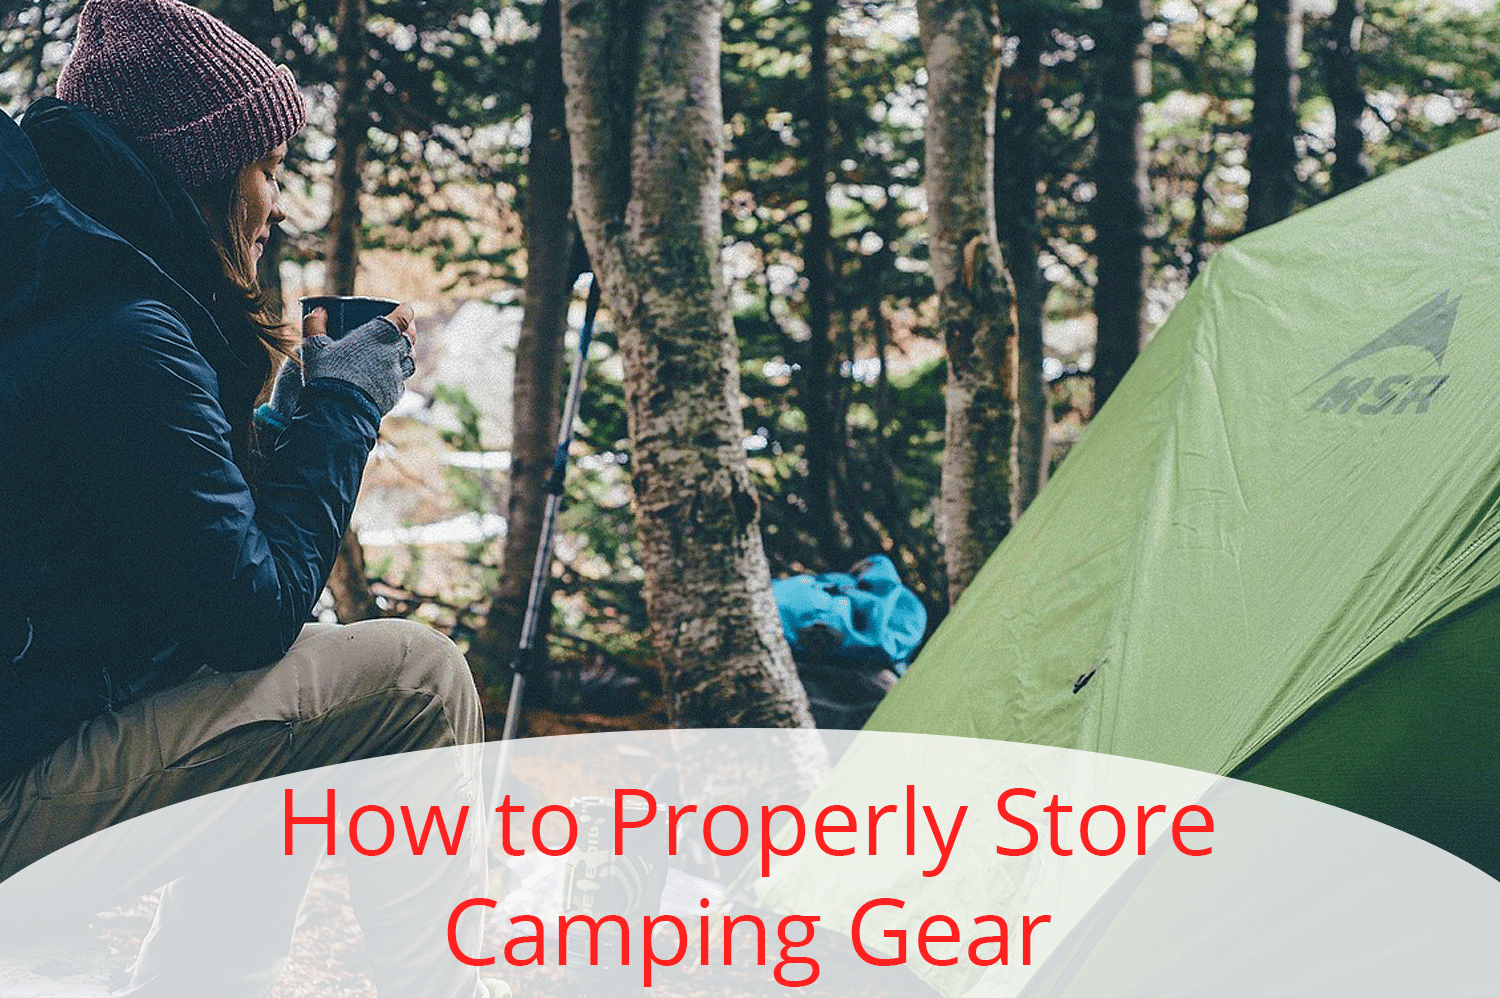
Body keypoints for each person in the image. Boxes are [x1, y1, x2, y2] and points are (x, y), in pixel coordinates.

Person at [0, 0, 500, 993]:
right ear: (203, 172)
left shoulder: (58, 288)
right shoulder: (123, 330)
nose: (276, 203)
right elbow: (248, 615)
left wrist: (274, 435)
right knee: (414, 677)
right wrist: (345, 413)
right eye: (266, 169)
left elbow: (153, 552)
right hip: (19, 797)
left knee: (307, 710)